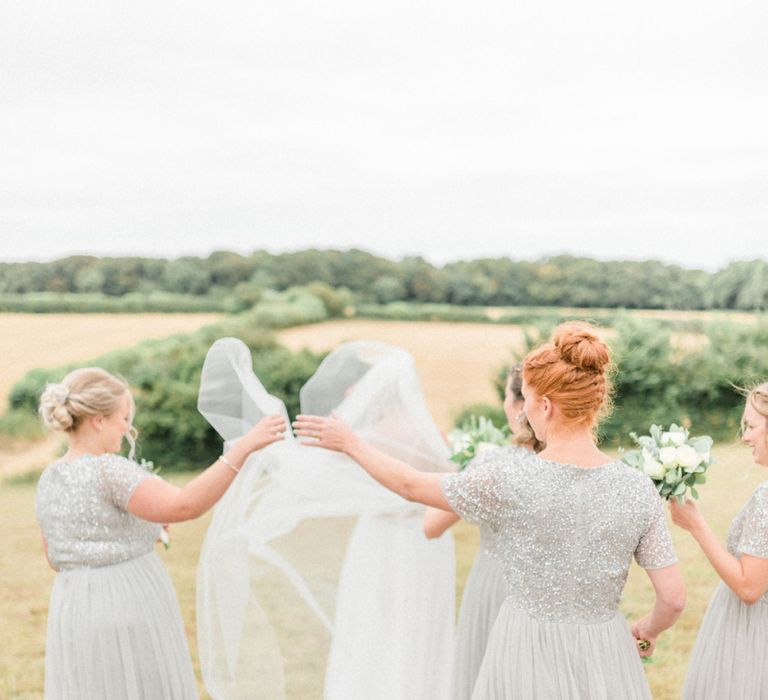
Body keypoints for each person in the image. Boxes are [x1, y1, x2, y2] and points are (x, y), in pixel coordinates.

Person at [294, 322, 686, 699]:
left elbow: (411, 486)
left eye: (528, 400)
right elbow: (673, 599)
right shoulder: (638, 487)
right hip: (606, 649)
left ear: (546, 406)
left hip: (526, 650)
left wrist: (351, 443)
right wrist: (646, 630)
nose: (524, 412)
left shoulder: (509, 477)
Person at [35, 366, 285, 700]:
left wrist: (137, 532)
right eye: (123, 418)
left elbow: (55, 555)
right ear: (98, 420)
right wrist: (242, 449)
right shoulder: (109, 469)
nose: (127, 428)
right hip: (126, 602)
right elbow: (185, 506)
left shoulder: (49, 477)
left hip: (75, 608)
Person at [422, 364, 541, 699]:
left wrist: (457, 465)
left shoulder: (494, 464)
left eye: (505, 395)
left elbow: (432, 525)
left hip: (496, 587)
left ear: (521, 406)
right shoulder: (578, 466)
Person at [670, 382, 768, 699]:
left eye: (751, 426)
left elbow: (749, 587)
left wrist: (696, 525)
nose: (745, 437)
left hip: (751, 636)